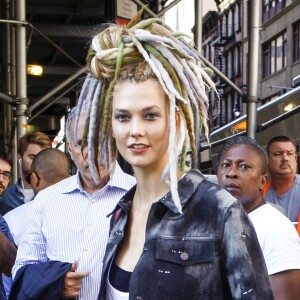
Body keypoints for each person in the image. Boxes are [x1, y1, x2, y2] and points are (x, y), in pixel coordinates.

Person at [73, 11, 273, 299]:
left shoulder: (219, 210)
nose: (135, 130)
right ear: (111, 126)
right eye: (123, 117)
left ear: (175, 120)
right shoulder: (119, 214)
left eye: (151, 115)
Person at [11, 107, 136, 299]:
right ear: (70, 149)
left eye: (98, 140)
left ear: (114, 140)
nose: (91, 153)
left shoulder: (140, 194)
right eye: (80, 143)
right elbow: (22, 267)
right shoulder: (47, 200)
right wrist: (55, 282)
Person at [216, 136, 300, 300]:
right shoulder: (220, 222)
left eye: (243, 166)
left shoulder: (275, 229)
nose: (231, 173)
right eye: (226, 165)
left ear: (262, 181)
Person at [2, 132, 52, 209]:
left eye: (43, 158)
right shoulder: (6, 196)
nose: (38, 162)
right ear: (19, 157)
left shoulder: (53, 194)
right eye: (33, 157)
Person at [265, 136, 300, 228]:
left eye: (290, 154)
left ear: (295, 159)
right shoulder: (259, 196)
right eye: (278, 154)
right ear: (267, 160)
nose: (285, 158)